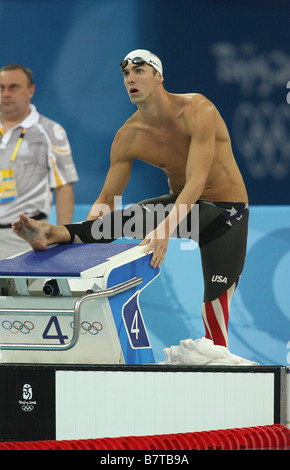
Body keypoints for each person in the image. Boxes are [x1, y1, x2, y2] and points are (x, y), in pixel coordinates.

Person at [12, 50, 249, 350]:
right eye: (126, 74)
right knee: (120, 219)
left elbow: (197, 182)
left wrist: (163, 229)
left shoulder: (197, 109)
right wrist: (84, 242)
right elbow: (107, 199)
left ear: (159, 77)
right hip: (181, 207)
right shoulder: (129, 135)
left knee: (215, 318)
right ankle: (51, 232)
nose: (131, 78)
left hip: (226, 214)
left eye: (139, 71)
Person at [0, 64, 79, 259]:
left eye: (14, 87)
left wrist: (62, 241)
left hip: (25, 237)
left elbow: (64, 187)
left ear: (31, 91)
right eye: (1, 88)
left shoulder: (51, 131)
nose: (6, 93)